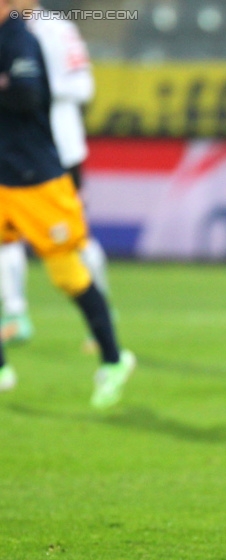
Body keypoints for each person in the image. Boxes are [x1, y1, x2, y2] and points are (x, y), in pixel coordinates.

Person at [0, 0, 135, 408]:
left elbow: (27, 93)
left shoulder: (24, 37)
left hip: (35, 176)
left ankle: (113, 357)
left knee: (66, 271)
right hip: (6, 174)